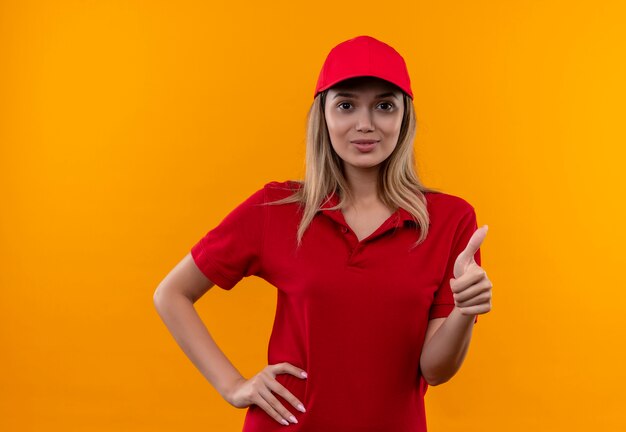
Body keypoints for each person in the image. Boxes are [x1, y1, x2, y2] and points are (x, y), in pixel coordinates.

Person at [153, 35, 493, 432]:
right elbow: (171, 294)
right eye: (346, 105)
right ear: (323, 115)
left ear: (405, 117)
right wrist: (232, 385)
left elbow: (434, 371)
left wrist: (464, 312)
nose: (365, 124)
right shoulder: (277, 209)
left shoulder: (449, 220)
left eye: (384, 106)